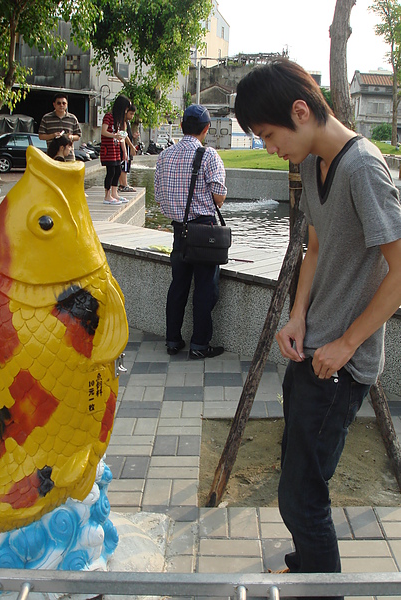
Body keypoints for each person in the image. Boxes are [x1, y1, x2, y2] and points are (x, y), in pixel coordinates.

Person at [234, 58, 401, 588]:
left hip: (340, 363)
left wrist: (349, 344)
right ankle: (308, 566)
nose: (268, 147)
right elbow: (317, 244)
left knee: (303, 495)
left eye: (268, 134)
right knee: (296, 475)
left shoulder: (363, 168)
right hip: (313, 346)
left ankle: (322, 583)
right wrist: (297, 316)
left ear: (300, 111)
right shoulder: (312, 162)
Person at [154, 104, 227, 359]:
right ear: (206, 129)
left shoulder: (164, 156)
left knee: (178, 286)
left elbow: (160, 198)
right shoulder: (208, 156)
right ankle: (199, 345)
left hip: (179, 231)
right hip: (204, 231)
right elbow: (219, 197)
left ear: (182, 126)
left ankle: (173, 340)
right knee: (206, 288)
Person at [100, 95, 132, 205]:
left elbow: (122, 137)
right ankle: (107, 195)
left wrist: (125, 152)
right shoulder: (108, 116)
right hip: (108, 149)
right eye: (126, 108)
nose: (126, 111)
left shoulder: (119, 120)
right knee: (111, 172)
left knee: (118, 170)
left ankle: (114, 193)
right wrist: (114, 136)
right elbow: (103, 131)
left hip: (115, 149)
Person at [39, 93, 81, 161]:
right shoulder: (46, 118)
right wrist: (53, 135)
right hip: (52, 157)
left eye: (64, 103)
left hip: (69, 156)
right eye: (59, 103)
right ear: (54, 104)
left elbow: (78, 136)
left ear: (67, 104)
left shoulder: (72, 118)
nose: (61, 105)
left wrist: (71, 137)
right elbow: (41, 136)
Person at [118, 104, 138, 193]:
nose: (132, 116)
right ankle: (124, 184)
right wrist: (131, 146)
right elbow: (124, 135)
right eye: (130, 114)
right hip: (124, 148)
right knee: (124, 166)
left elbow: (127, 135)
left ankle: (122, 184)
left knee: (124, 165)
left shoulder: (127, 122)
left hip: (126, 147)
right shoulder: (123, 122)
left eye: (133, 114)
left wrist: (133, 136)